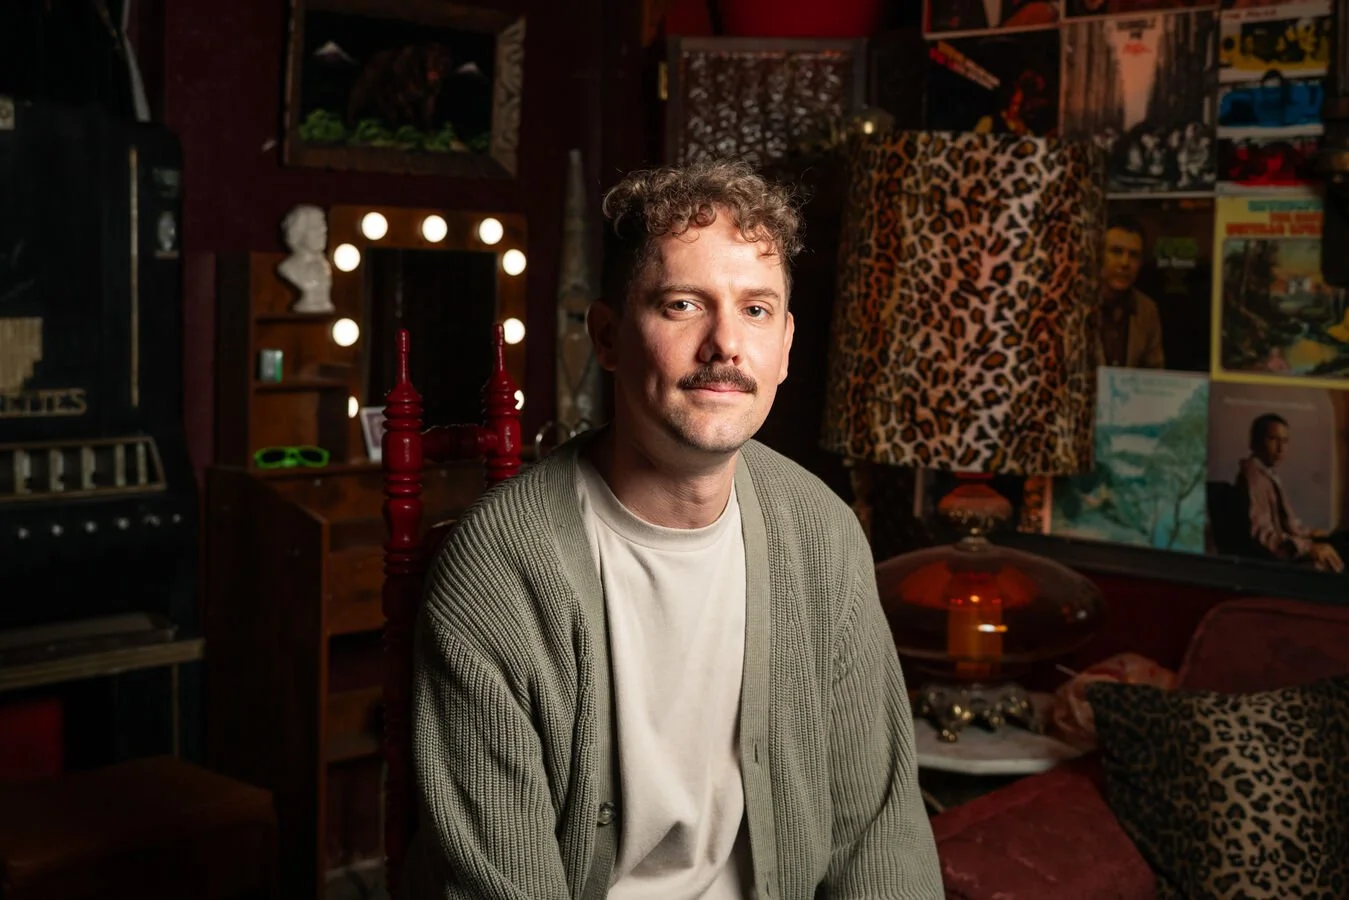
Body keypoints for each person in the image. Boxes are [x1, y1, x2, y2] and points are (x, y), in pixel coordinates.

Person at [401, 159, 942, 899]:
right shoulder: (497, 574)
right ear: (609, 337)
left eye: (755, 310)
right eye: (684, 303)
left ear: (784, 345)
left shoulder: (822, 534)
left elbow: (878, 834)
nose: (725, 344)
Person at [1236, 413, 1345, 573]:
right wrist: (1309, 548)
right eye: (1273, 439)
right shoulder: (1254, 478)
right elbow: (1263, 535)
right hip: (1271, 565)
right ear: (1255, 442)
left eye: (1285, 441)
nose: (1281, 448)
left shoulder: (1267, 474)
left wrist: (1310, 534)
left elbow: (1286, 524)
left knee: (1338, 542)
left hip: (1281, 555)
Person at [1099, 214, 1165, 369]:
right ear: (1099, 255)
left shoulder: (1147, 310)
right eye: (1116, 252)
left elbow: (1155, 373)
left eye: (1133, 255)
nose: (1125, 263)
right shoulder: (1079, 306)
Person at [276, 203, 333, 314]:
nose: (323, 232)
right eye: (315, 228)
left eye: (323, 227)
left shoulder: (326, 265)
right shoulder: (288, 268)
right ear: (299, 232)